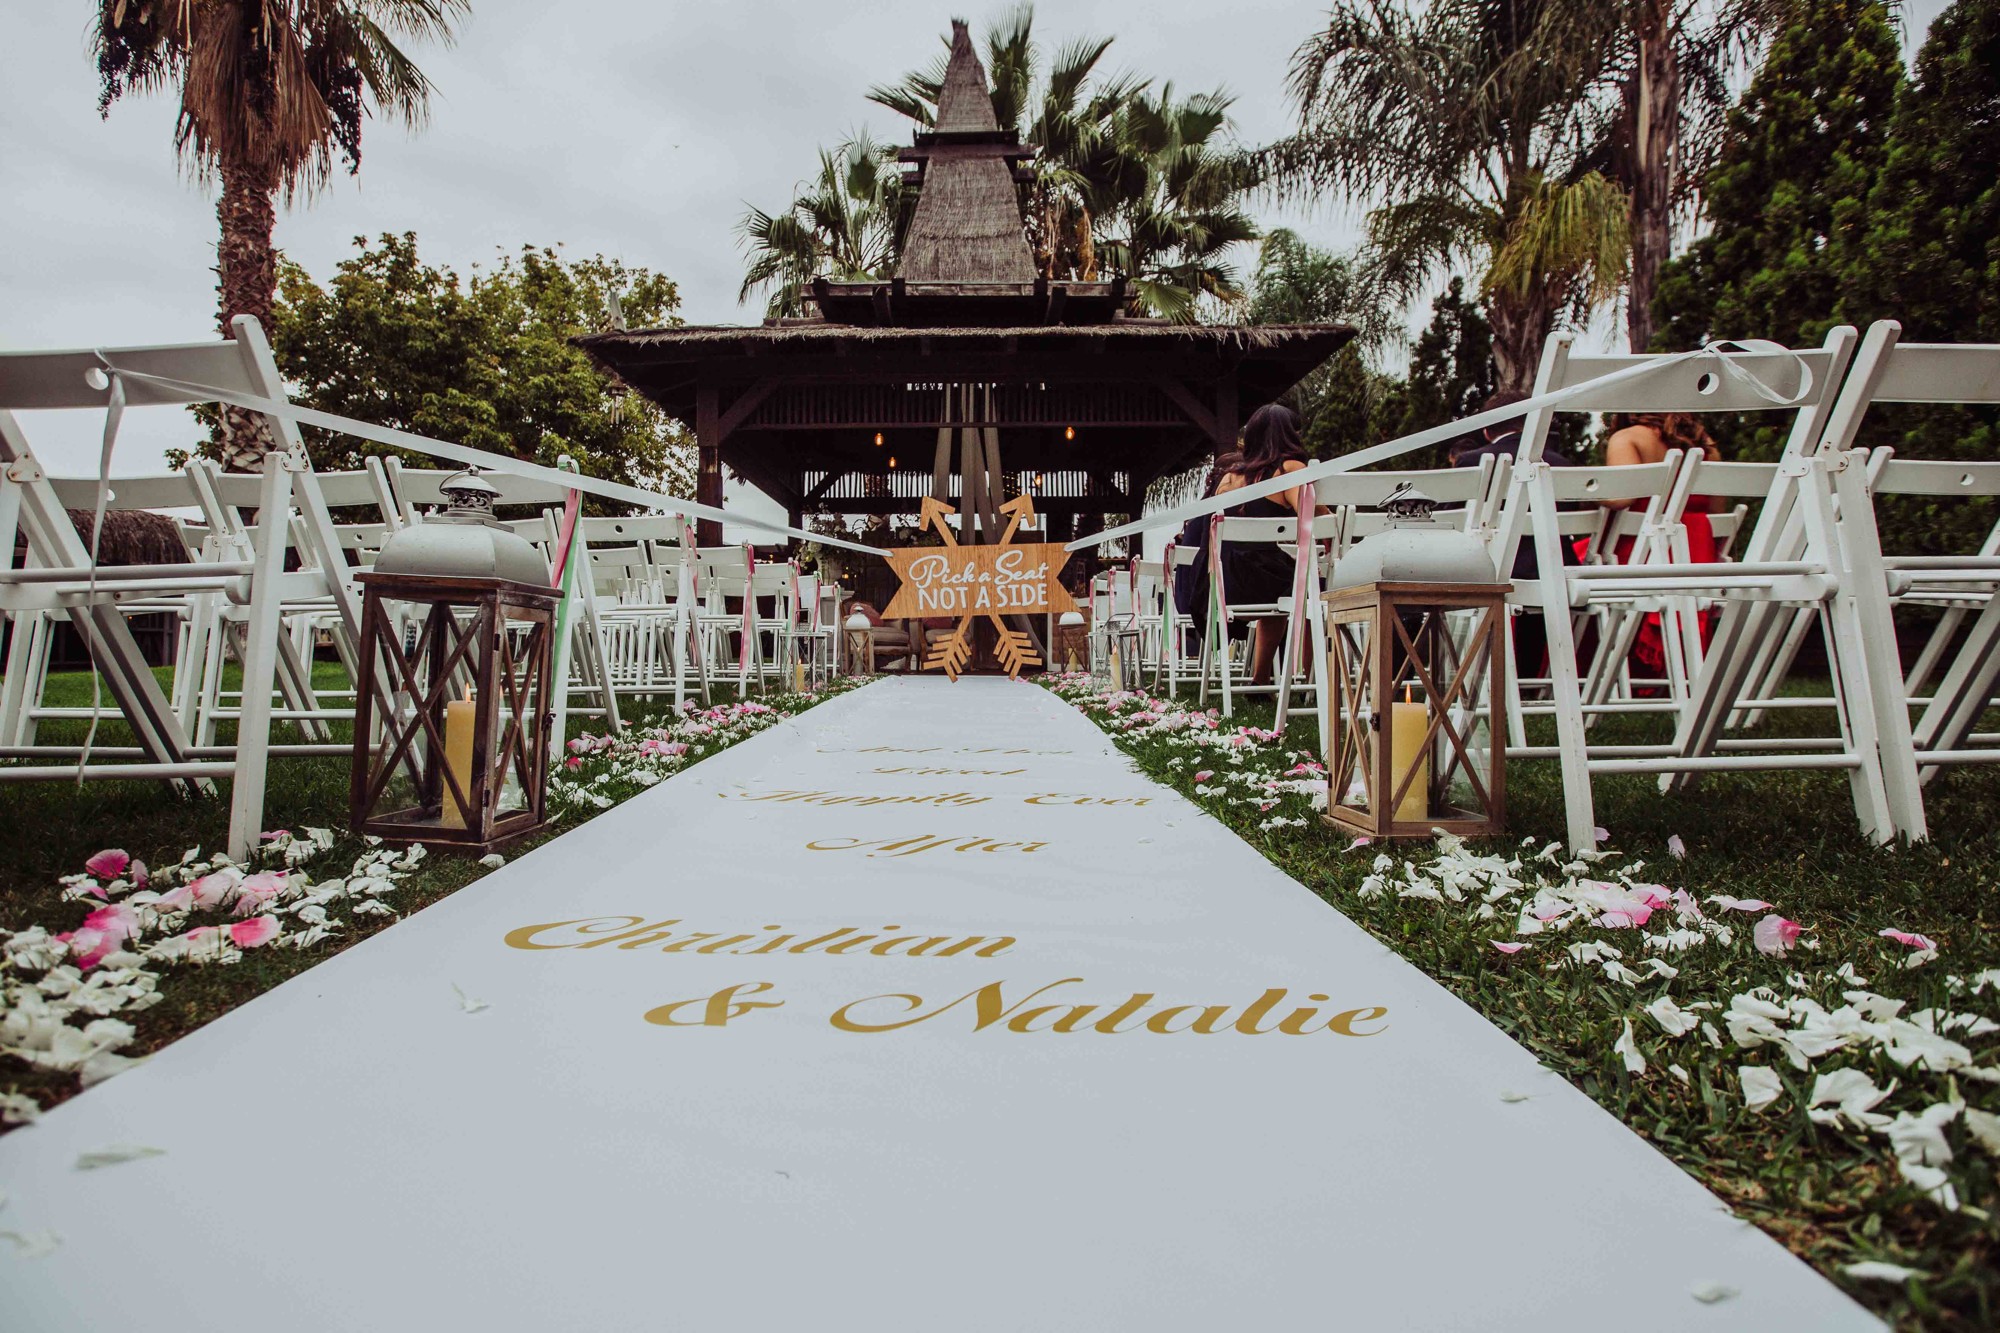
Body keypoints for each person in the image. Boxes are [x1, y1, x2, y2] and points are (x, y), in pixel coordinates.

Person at [1185, 403, 1319, 686]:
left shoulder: (1229, 477)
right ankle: (1299, 679)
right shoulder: (1289, 469)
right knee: (1305, 582)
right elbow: (1311, 516)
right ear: (1289, 435)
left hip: (1214, 586)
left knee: (1288, 577)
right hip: (1259, 582)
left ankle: (1263, 678)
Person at [1450, 390, 1579, 683]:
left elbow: (1452, 517)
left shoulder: (1472, 460)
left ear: (1486, 429)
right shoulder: (1561, 463)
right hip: (1550, 567)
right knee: (1537, 579)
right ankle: (1528, 682)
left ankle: (1473, 677)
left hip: (1486, 565)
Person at [1601, 413, 1724, 684]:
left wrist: (1591, 496)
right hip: (1697, 557)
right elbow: (1717, 513)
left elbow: (1622, 497)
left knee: (1579, 560)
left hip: (1641, 553)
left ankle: (1602, 672)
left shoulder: (1628, 438)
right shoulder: (1706, 445)